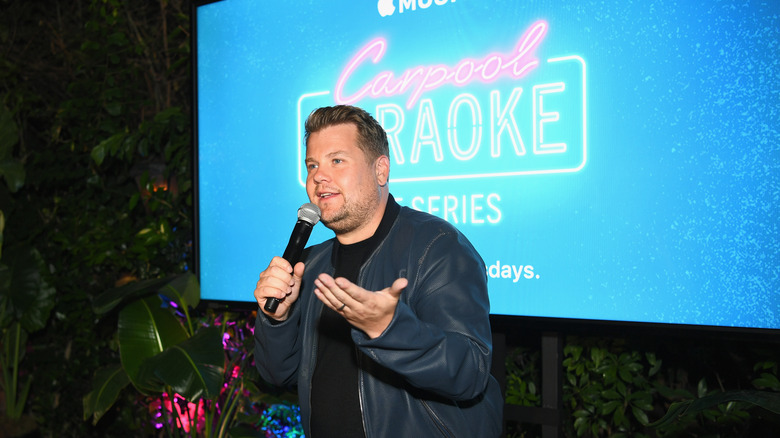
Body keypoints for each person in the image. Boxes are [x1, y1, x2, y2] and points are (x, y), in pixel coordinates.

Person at [253, 105, 503, 437]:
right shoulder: (309, 263)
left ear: (381, 170)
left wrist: (389, 330)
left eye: (337, 161)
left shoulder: (438, 247)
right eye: (312, 165)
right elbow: (276, 375)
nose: (318, 177)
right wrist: (277, 319)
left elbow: (470, 373)